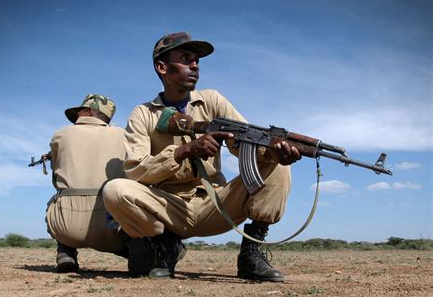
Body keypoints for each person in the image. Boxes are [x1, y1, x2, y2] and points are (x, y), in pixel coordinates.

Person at [103, 32, 301, 281]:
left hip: (215, 204)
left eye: (196, 60)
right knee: (115, 190)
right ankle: (163, 248)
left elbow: (244, 142)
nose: (195, 65)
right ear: (162, 67)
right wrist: (182, 151)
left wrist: (273, 151)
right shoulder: (143, 114)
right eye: (186, 58)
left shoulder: (212, 100)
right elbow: (136, 170)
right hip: (168, 209)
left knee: (276, 164)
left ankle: (251, 254)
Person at [46, 94, 127, 273]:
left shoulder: (61, 134)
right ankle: (142, 254)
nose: (76, 117)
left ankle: (65, 252)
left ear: (89, 111)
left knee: (56, 200)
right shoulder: (125, 136)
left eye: (79, 112)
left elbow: (57, 176)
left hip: (66, 226)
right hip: (112, 226)